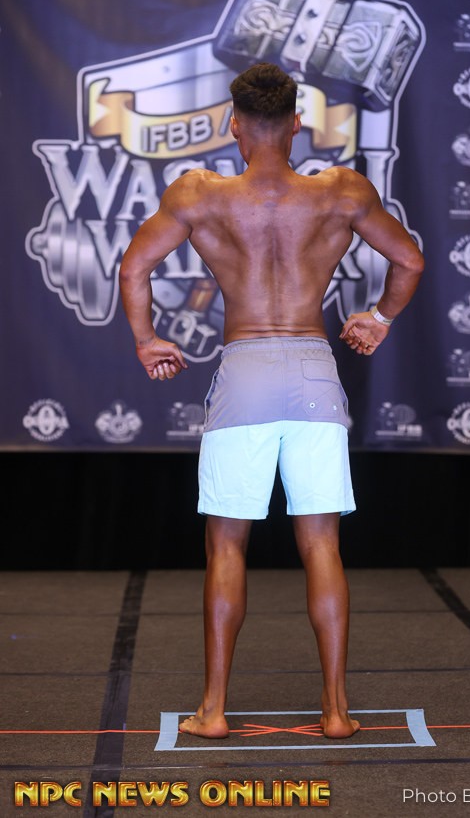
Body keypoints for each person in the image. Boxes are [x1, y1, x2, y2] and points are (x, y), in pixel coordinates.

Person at [119, 62, 424, 740]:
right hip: (314, 372)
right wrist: (379, 317)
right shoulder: (342, 191)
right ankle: (337, 711)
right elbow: (410, 261)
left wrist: (146, 340)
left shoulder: (197, 193)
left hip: (246, 370)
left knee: (226, 545)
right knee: (321, 543)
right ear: (296, 125)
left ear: (234, 126)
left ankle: (214, 710)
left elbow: (133, 267)